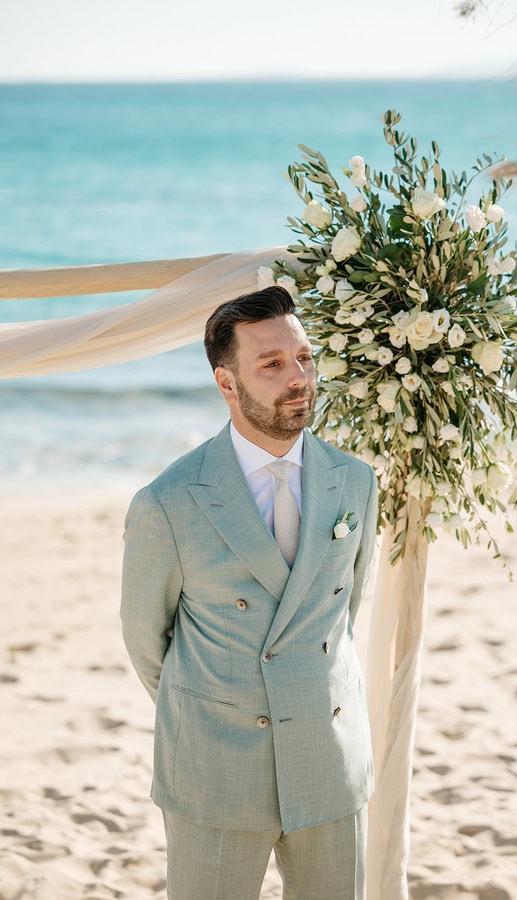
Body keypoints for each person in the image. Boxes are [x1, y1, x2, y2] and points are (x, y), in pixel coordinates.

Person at [120, 285, 378, 900]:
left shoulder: (356, 482)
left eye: (304, 358)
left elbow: (342, 612)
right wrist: (218, 707)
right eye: (272, 364)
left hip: (329, 758)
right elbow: (146, 641)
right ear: (226, 383)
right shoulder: (168, 502)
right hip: (217, 769)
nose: (299, 377)